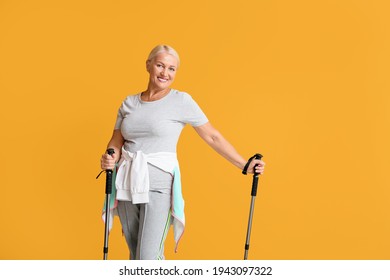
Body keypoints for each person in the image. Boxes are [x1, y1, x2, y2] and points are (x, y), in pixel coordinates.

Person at [100, 44, 265, 260]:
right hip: (127, 181)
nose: (165, 73)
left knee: (148, 258)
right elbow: (117, 140)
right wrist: (109, 156)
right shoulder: (129, 103)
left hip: (159, 184)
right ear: (148, 65)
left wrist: (244, 165)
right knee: (134, 255)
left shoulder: (181, 101)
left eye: (171, 69)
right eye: (160, 65)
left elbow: (212, 136)